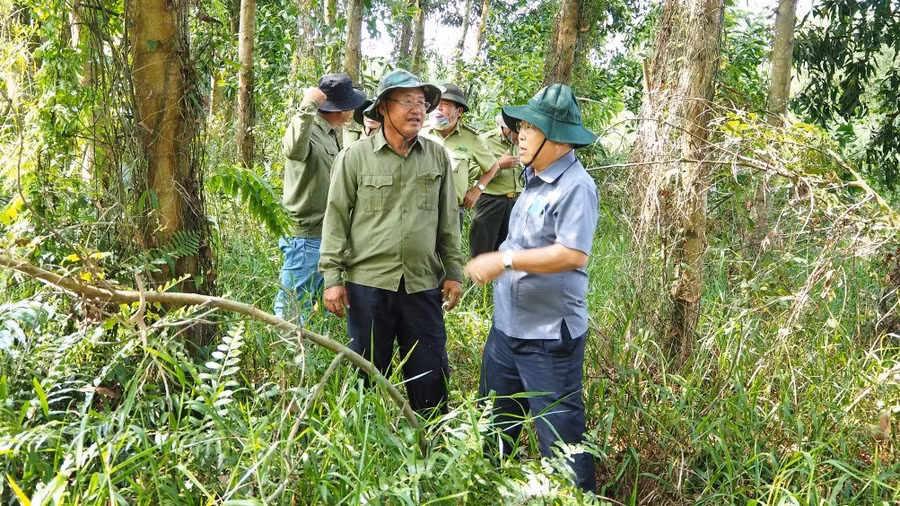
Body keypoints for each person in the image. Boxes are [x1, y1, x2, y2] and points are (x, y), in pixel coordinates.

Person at [464, 84, 599, 492]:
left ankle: (577, 499)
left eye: (530, 128)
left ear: (556, 139)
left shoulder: (576, 186)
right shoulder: (533, 178)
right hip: (506, 330)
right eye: (520, 126)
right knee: (492, 427)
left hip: (547, 340)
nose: (519, 135)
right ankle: (487, 492)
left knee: (562, 445)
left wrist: (503, 260)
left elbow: (573, 254)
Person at [319, 69, 465, 415]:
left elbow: (448, 220)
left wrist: (454, 271)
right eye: (408, 102)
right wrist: (332, 279)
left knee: (430, 376)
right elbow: (336, 218)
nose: (418, 110)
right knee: (366, 375)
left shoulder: (436, 157)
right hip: (368, 286)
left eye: (422, 102)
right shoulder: (354, 157)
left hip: (421, 285)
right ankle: (363, 447)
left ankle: (433, 445)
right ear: (383, 108)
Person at [275, 73, 367, 320]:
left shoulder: (329, 132)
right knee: (292, 311)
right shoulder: (310, 128)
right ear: (342, 108)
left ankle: (305, 354)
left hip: (323, 234)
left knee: (311, 306)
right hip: (305, 237)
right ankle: (286, 354)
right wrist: (308, 105)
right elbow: (293, 150)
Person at [420, 83, 498, 230]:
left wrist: (477, 190)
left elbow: (493, 166)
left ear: (459, 111)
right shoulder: (419, 132)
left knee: (449, 253)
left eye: (445, 104)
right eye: (436, 104)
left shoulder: (471, 138)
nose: (438, 108)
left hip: (453, 213)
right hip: (419, 211)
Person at [469, 114, 523, 257]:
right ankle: (477, 280)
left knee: (507, 253)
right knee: (482, 251)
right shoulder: (485, 141)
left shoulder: (522, 143)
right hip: (490, 201)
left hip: (515, 202)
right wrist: (499, 165)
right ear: (508, 129)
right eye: (519, 132)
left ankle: (500, 280)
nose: (522, 136)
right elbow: (471, 171)